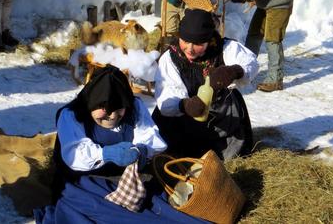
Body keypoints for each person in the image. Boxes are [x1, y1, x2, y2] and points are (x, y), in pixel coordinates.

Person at [35, 66, 207, 224]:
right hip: (83, 182)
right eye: (103, 109)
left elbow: (151, 137)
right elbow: (74, 155)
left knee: (160, 208)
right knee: (103, 211)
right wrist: (105, 154)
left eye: (118, 109)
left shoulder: (134, 107)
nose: (112, 116)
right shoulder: (72, 115)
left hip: (127, 179)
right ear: (90, 104)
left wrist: (142, 150)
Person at [152, 8, 258, 160]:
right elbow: (167, 95)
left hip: (221, 112)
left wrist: (235, 71)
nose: (190, 49)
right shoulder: (171, 57)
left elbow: (250, 63)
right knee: (174, 155)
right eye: (185, 41)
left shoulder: (224, 48)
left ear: (209, 40)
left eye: (198, 44)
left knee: (224, 159)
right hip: (182, 118)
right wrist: (184, 105)